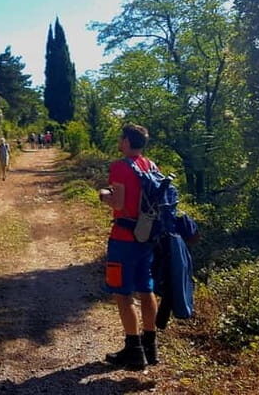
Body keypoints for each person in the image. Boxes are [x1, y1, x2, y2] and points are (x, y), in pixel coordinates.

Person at [98, 124, 158, 370]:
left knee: (122, 293)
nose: (119, 141)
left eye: (121, 138)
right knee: (146, 289)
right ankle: (150, 346)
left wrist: (103, 194)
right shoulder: (151, 165)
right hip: (146, 238)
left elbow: (119, 203)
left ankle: (134, 351)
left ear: (126, 141)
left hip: (123, 238)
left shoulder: (120, 167)